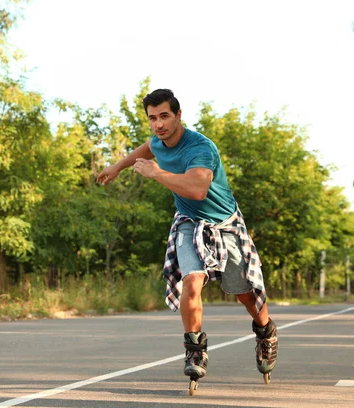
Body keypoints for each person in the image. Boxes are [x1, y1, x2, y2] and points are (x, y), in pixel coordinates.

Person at [97, 89, 277, 382]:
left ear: (178, 115)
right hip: (188, 221)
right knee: (191, 280)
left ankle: (265, 332)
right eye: (153, 118)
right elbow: (146, 148)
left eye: (165, 116)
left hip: (224, 222)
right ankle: (195, 349)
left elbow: (197, 189)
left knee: (245, 293)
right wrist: (117, 166)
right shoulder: (158, 140)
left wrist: (156, 174)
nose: (159, 124)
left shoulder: (200, 148)